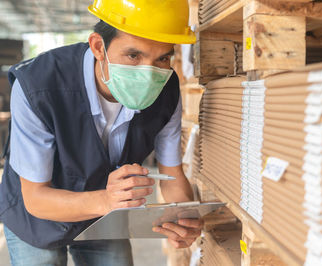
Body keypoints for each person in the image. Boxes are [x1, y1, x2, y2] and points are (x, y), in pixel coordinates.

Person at [0, 0, 202, 265]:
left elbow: (172, 175)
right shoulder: (37, 87)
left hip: (105, 212)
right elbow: (36, 198)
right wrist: (107, 200)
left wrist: (182, 217)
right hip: (36, 215)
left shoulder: (167, 89)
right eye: (134, 55)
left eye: (163, 58)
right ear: (98, 46)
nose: (148, 74)